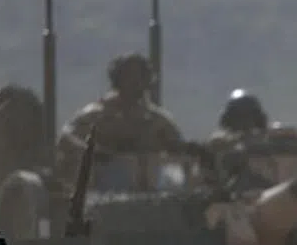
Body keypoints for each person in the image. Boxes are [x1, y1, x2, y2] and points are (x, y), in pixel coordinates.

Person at [53, 53, 193, 192]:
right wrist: (91, 151)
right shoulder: (97, 114)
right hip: (105, 183)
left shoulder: (156, 119)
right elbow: (66, 137)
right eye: (129, 75)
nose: (135, 81)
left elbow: (182, 151)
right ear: (117, 78)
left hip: (150, 186)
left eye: (140, 75)